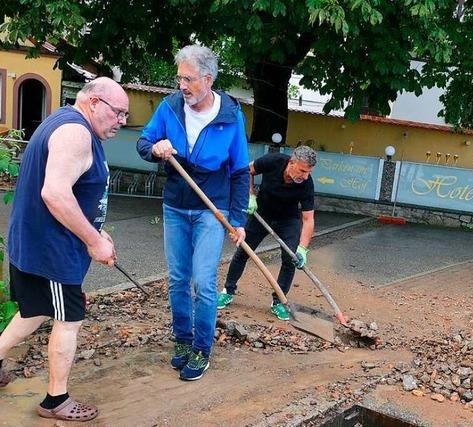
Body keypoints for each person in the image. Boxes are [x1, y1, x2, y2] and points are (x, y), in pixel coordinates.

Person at [0, 77, 127, 421]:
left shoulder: (61, 120)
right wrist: (93, 240)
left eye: (125, 116)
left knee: (35, 310)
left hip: (36, 243)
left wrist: (99, 234)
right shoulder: (76, 133)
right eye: (118, 113)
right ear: (95, 102)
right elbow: (55, 194)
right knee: (69, 319)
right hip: (53, 253)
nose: (121, 121)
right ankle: (56, 400)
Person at [137, 45, 249, 381]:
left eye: (188, 79)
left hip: (211, 210)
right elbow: (144, 142)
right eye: (179, 78)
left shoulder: (230, 115)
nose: (182, 85)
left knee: (203, 281)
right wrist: (156, 149)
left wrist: (239, 219)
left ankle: (202, 348)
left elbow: (241, 170)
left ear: (208, 79)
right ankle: (183, 342)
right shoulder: (170, 107)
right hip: (175, 204)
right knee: (177, 280)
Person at [218, 145, 316, 321]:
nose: (305, 176)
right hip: (261, 213)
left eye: (308, 172)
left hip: (288, 219)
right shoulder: (274, 161)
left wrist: (302, 249)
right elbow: (248, 170)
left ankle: (279, 302)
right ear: (291, 162)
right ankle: (228, 290)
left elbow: (308, 220)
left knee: (290, 259)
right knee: (244, 250)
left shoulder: (306, 184)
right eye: (302, 170)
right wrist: (250, 195)